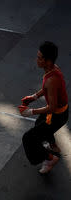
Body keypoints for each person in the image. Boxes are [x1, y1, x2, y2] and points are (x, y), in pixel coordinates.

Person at [19, 41, 68, 174]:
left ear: (48, 61)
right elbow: (46, 88)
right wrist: (34, 96)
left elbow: (51, 107)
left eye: (40, 58)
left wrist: (30, 112)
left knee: (29, 138)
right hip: (60, 112)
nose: (37, 60)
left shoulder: (52, 80)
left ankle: (50, 159)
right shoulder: (53, 69)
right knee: (39, 125)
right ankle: (53, 146)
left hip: (57, 116)